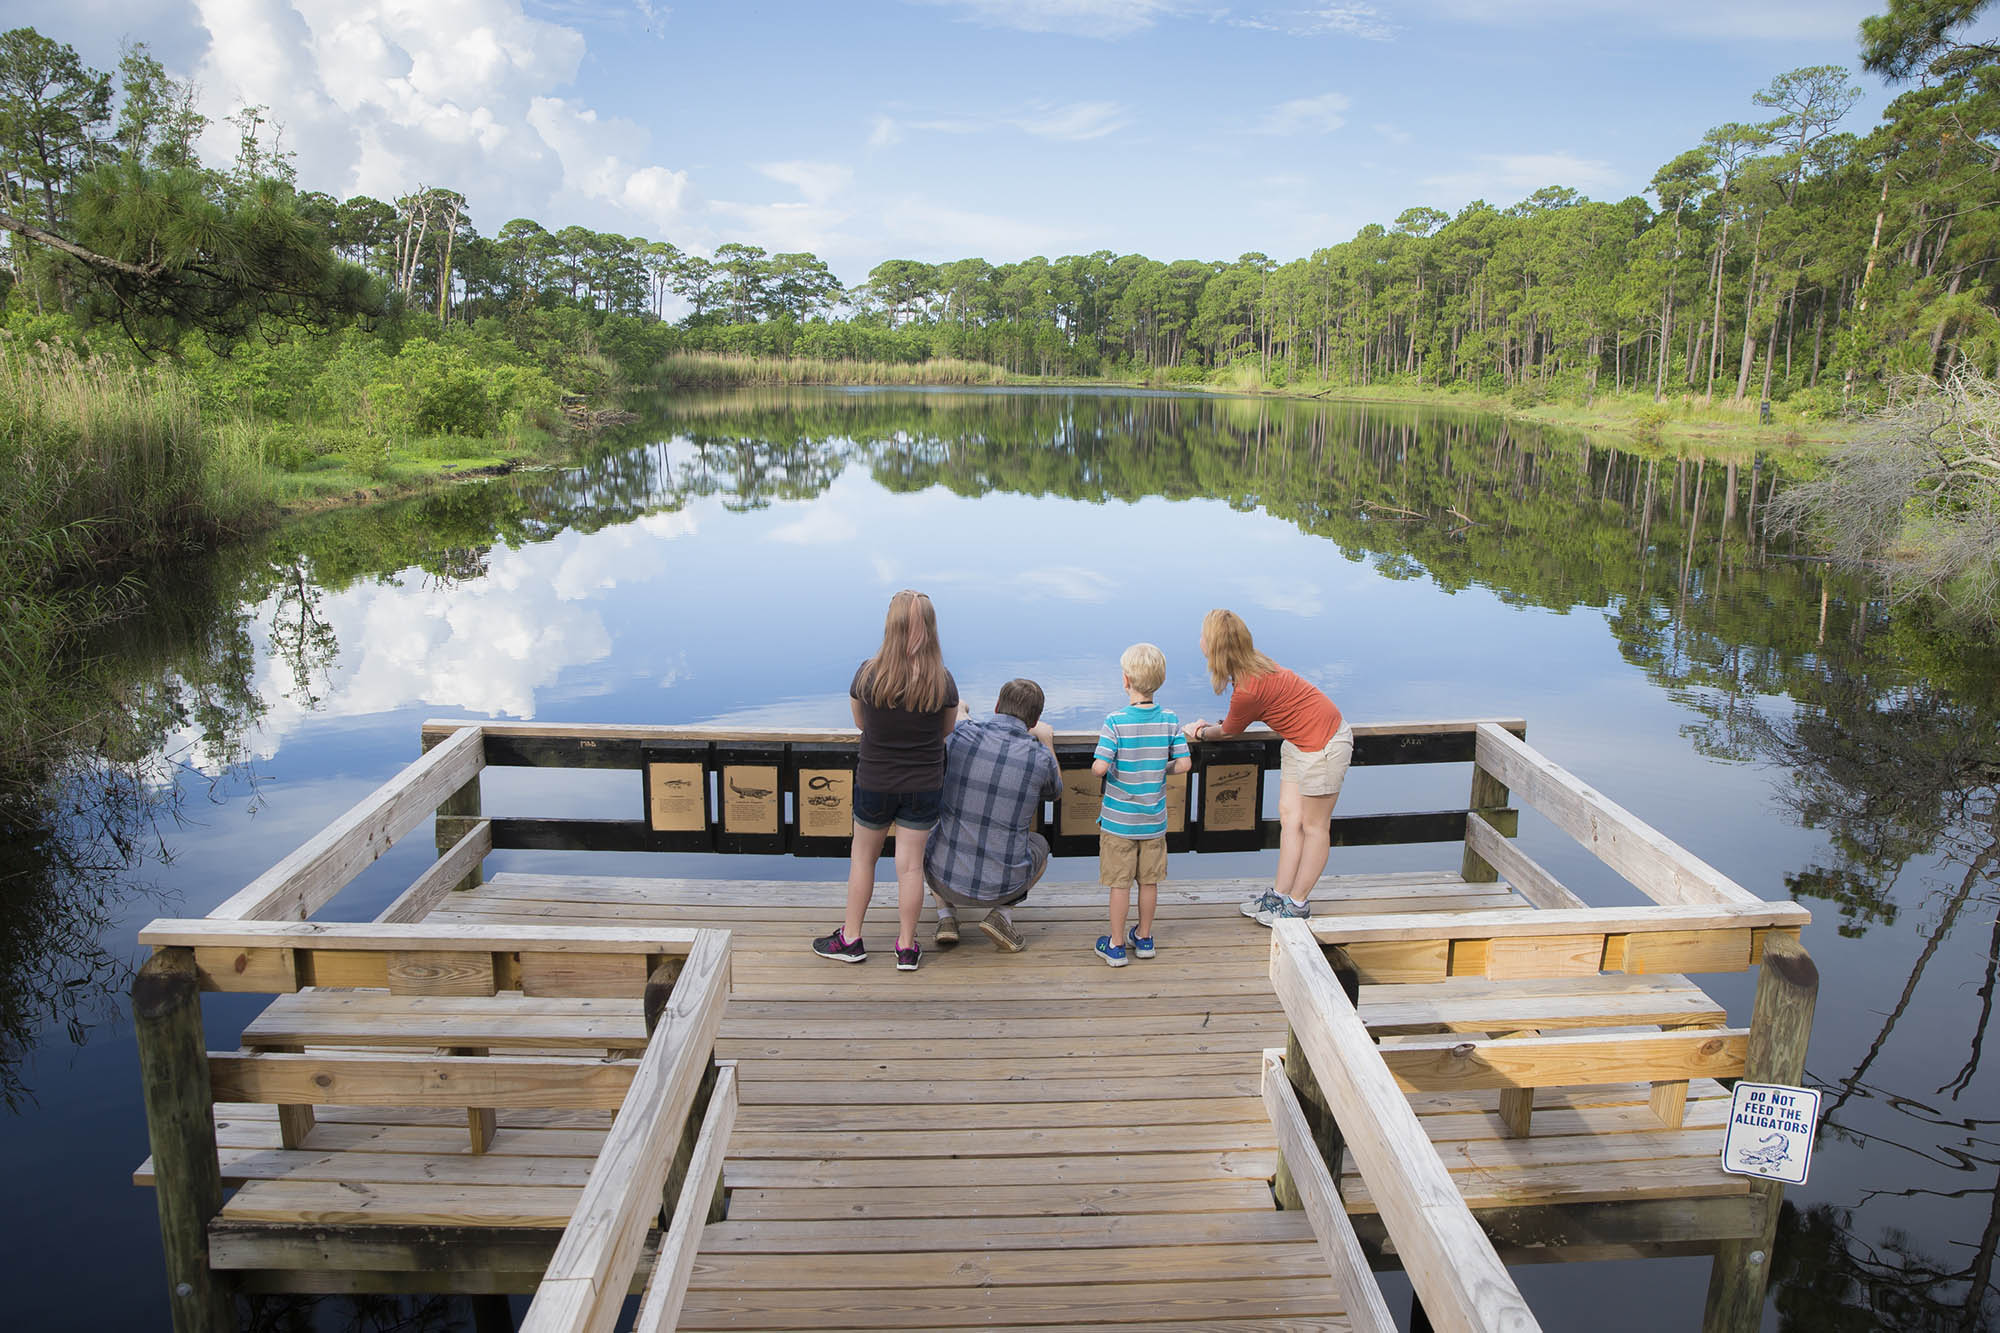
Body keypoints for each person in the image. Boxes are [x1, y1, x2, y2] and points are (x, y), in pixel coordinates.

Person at [813, 590, 958, 971]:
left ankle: (851, 938)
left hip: (875, 780)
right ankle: (907, 948)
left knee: (863, 859)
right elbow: (945, 731)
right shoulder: (942, 681)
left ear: (889, 626)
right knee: (910, 867)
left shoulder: (867, 674)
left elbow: (861, 723)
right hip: (924, 784)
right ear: (930, 628)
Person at [1183, 608, 1352, 926]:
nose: (1199, 640)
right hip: (1297, 741)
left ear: (1216, 647)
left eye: (1204, 636)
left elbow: (1229, 731)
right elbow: (1238, 720)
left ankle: (1298, 903)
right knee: (1290, 819)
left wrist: (1201, 731)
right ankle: (1279, 895)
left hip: (1325, 744)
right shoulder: (1253, 663)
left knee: (1315, 828)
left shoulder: (1247, 690)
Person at [923, 678, 1063, 953]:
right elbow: (1055, 790)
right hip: (1004, 886)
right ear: (1034, 720)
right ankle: (1002, 914)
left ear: (997, 706)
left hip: (943, 878)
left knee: (931, 832)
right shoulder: (1038, 757)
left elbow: (958, 715)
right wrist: (1046, 742)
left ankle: (946, 917)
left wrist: (961, 708)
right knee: (1041, 846)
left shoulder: (962, 735)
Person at [1089, 644, 1191, 967]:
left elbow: (1100, 768)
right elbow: (1184, 764)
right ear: (1158, 681)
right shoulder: (1170, 719)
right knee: (1149, 881)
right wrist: (1163, 768)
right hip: (1154, 820)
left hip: (1119, 823)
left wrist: (1107, 763)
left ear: (1125, 680)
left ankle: (1116, 945)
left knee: (1119, 884)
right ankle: (1144, 938)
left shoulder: (1115, 722)